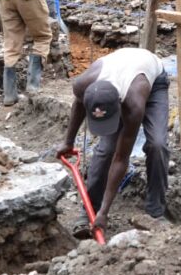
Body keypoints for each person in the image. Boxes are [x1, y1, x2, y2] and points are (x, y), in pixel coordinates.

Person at [55, 48, 170, 237]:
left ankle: (155, 211)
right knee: (104, 150)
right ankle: (89, 210)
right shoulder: (83, 85)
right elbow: (78, 103)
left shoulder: (134, 103)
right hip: (121, 70)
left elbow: (121, 158)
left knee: (157, 144)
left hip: (151, 79)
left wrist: (105, 213)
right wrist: (68, 141)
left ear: (118, 105)